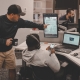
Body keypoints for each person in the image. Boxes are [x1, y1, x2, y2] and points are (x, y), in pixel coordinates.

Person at [0, 4, 47, 80]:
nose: (20, 17)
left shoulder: (17, 21)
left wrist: (41, 26)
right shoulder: (1, 21)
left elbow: (28, 23)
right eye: (18, 15)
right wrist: (3, 41)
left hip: (9, 50)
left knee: (12, 68)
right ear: (12, 14)